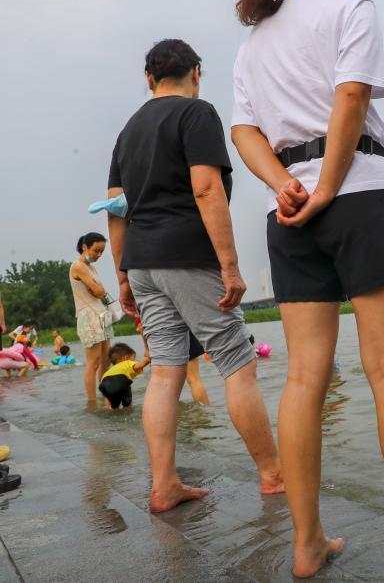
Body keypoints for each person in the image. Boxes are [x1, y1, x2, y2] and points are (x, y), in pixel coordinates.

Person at [231, 0, 384, 575]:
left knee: (301, 378)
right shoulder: (350, 6)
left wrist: (288, 186)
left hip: (288, 212)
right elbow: (350, 95)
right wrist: (326, 183)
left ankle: (306, 543)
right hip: (362, 193)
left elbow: (245, 133)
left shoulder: (254, 40)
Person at [106, 37, 283, 513]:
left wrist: (123, 276)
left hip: (142, 261)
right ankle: (272, 474)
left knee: (165, 372)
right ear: (196, 73)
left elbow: (116, 210)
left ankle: (164, 484)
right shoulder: (197, 113)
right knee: (237, 364)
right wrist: (230, 264)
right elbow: (206, 188)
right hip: (187, 255)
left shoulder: (128, 131)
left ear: (149, 79)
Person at [71, 233, 115, 401]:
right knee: (93, 363)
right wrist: (97, 289)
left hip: (101, 315)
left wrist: (97, 289)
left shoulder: (91, 268)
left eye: (102, 251)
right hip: (89, 317)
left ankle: (106, 397)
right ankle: (91, 402)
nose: (99, 255)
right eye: (96, 250)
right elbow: (98, 291)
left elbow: (101, 291)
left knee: (105, 360)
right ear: (85, 247)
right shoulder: (78, 266)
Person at [99, 342, 151, 410]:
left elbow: (106, 382)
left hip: (104, 384)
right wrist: (149, 357)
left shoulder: (111, 369)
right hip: (121, 381)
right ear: (125, 358)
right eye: (133, 358)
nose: (134, 360)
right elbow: (141, 365)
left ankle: (109, 408)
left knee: (112, 405)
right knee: (127, 404)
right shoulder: (127, 362)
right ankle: (128, 409)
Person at [185, 331, 210, 405]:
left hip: (160, 328)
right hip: (184, 329)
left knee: (163, 380)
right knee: (194, 379)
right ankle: (205, 411)